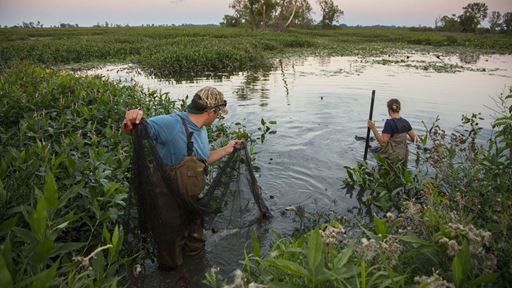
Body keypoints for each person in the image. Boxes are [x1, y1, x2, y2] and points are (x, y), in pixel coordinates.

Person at [122, 86, 241, 269]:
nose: (217, 117)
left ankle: (196, 273)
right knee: (171, 247)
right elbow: (136, 129)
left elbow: (203, 159)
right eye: (218, 113)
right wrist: (132, 119)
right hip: (167, 200)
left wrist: (227, 149)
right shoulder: (170, 123)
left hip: (192, 200)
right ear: (211, 112)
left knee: (196, 244)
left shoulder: (201, 129)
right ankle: (171, 276)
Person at [367, 98, 417, 165]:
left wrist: (373, 128)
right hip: (402, 157)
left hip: (391, 158)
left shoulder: (389, 123)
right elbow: (415, 139)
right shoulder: (405, 122)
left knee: (370, 151)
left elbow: (383, 143)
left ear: (389, 110)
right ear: (399, 109)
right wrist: (404, 136)